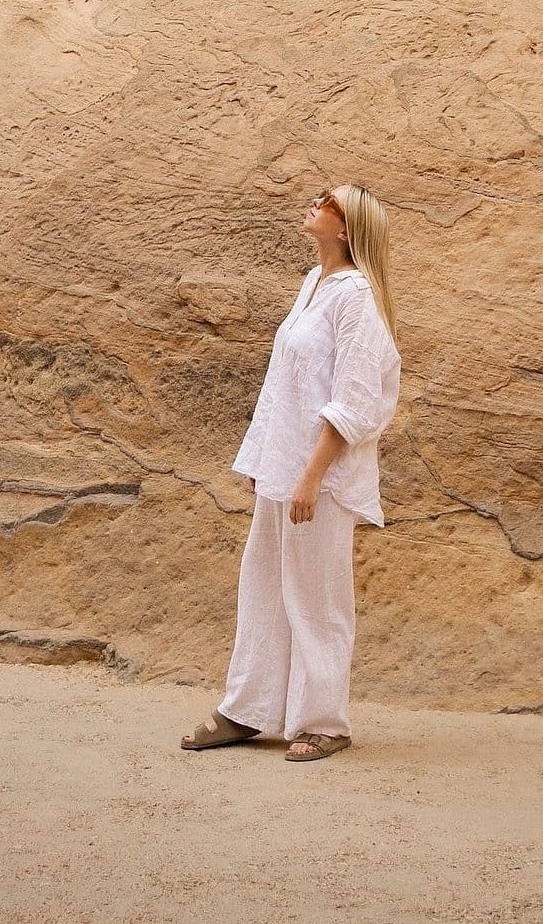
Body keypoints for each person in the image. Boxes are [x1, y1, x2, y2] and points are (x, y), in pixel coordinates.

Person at [180, 182, 401, 763]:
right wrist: (263, 460)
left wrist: (310, 477)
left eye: (327, 200)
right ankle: (247, 709)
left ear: (347, 226)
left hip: (320, 478)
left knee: (318, 595)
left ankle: (325, 720)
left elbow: (353, 396)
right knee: (263, 584)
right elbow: (284, 385)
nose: (314, 202)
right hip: (286, 470)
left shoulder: (356, 296)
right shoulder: (315, 283)